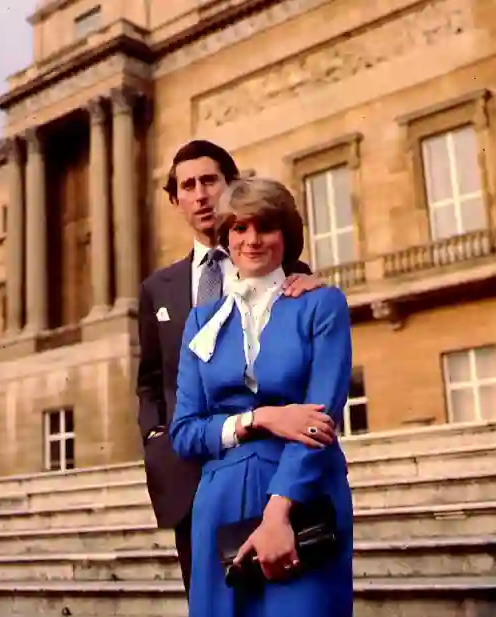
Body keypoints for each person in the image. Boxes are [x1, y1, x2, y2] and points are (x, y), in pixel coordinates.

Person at [136, 140, 337, 595]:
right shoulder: (157, 289)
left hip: (273, 469)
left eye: (210, 180)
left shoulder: (286, 271)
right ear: (176, 199)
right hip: (190, 477)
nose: (201, 194)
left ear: (232, 185)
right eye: (188, 185)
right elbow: (149, 379)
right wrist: (155, 439)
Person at [170, 176, 353, 617]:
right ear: (225, 236)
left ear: (285, 236)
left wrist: (277, 515)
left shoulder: (319, 304)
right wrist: (260, 418)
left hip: (301, 493)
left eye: (265, 227)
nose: (251, 240)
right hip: (220, 503)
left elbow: (320, 420)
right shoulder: (201, 322)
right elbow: (184, 432)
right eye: (239, 228)